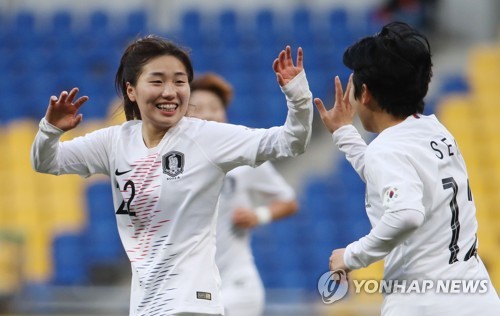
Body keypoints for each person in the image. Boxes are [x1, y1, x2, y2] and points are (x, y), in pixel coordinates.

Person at [31, 35, 312, 316]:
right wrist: (50, 130)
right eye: (157, 81)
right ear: (131, 90)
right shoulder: (114, 142)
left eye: (179, 81)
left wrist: (297, 95)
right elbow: (47, 162)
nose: (170, 91)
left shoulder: (206, 137)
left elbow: (290, 142)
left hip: (193, 303)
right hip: (145, 306)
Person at [314, 22, 500, 315]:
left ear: (365, 95)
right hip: (478, 297)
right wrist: (344, 133)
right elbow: (388, 175)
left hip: (425, 302)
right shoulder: (436, 132)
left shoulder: (388, 149)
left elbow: (406, 214)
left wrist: (351, 256)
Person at [188, 73, 298, 316]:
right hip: (193, 287)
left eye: (215, 108)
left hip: (237, 284)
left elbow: (289, 202)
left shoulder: (243, 158)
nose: (208, 114)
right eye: (198, 108)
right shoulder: (174, 166)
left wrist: (259, 215)